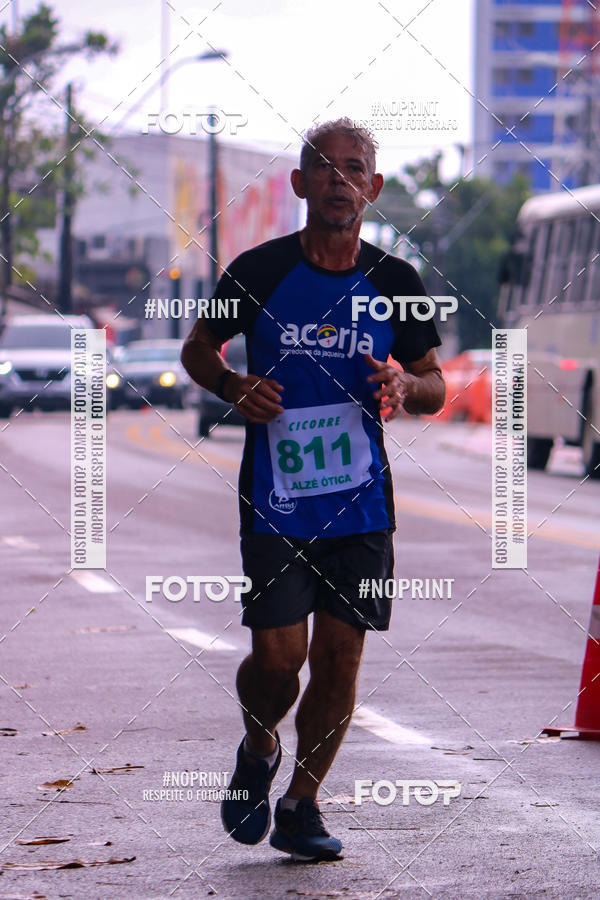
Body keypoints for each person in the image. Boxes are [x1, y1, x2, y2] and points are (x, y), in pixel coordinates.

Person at [181, 117, 446, 862]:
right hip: (275, 498)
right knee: (276, 661)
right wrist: (233, 383)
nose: (339, 179)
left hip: (361, 502)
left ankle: (301, 803)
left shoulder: (397, 282)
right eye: (324, 167)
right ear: (300, 183)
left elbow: (436, 383)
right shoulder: (258, 271)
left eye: (354, 167)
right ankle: (259, 741)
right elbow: (198, 348)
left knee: (338, 660)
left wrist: (403, 382)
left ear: (375, 187)